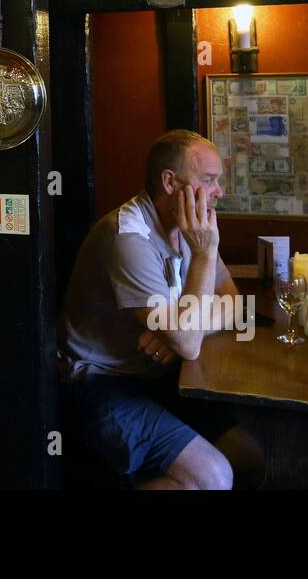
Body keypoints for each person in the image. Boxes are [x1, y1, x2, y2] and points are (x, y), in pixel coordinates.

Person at [58, 129, 262, 489]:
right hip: (102, 386)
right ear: (170, 182)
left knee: (250, 456)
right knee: (213, 476)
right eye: (209, 180)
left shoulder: (188, 226)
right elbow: (188, 342)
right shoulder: (129, 238)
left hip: (158, 375)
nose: (219, 192)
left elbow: (239, 307)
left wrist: (183, 331)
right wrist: (201, 260)